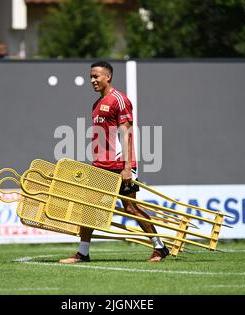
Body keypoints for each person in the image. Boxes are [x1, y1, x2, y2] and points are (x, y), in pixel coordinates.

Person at [59, 61, 169, 263]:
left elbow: (126, 133)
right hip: (101, 166)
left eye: (96, 76)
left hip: (120, 166)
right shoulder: (97, 104)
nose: (92, 80)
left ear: (107, 77)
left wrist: (128, 167)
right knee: (88, 206)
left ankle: (159, 247)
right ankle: (83, 253)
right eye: (91, 76)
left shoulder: (119, 100)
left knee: (131, 208)